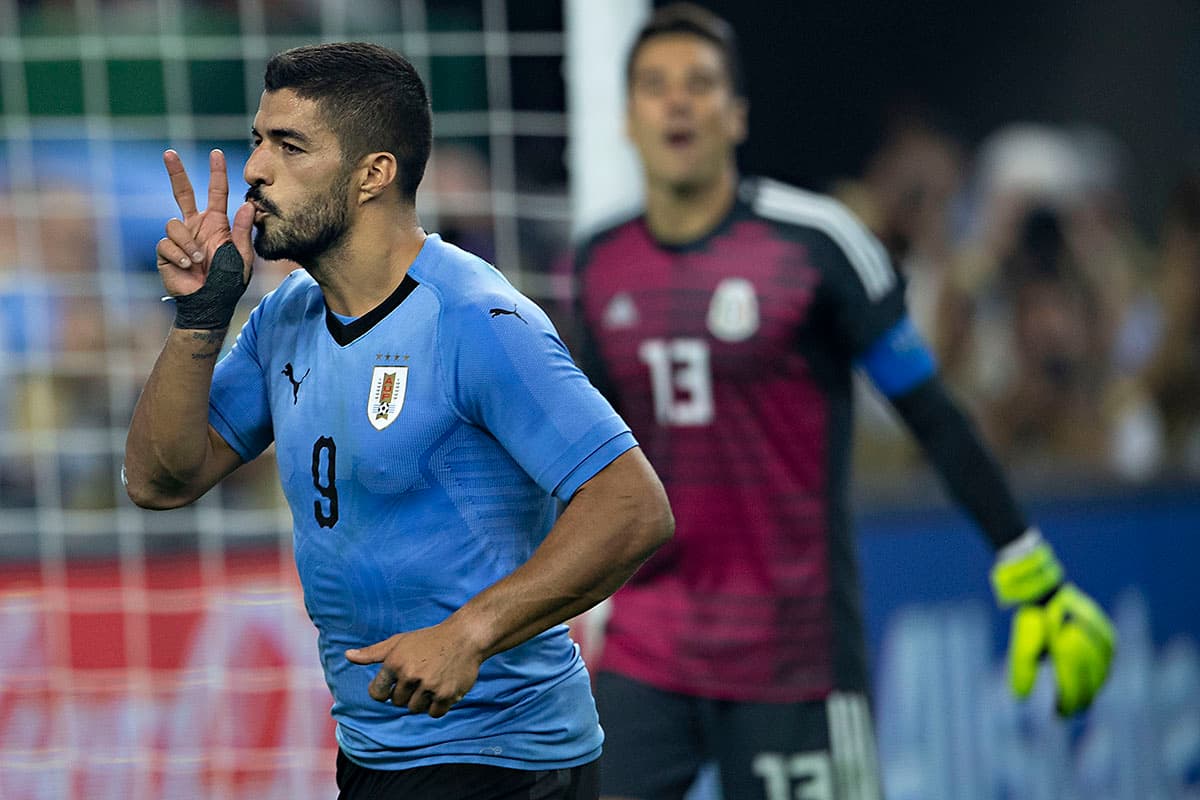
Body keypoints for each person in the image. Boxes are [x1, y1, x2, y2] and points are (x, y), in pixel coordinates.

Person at [564, 6, 1116, 800]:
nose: (677, 103)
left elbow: (932, 412)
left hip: (796, 659)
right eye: (655, 87)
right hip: (653, 647)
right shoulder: (601, 263)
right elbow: (600, 456)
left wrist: (1025, 560)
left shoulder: (817, 242)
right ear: (628, 116)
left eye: (700, 84)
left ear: (737, 113)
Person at [123, 41, 674, 800]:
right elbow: (159, 480)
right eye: (258, 140)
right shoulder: (286, 318)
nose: (255, 170)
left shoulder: (475, 319)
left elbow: (634, 505)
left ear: (373, 175)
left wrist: (469, 633)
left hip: (507, 760)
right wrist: (200, 317)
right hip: (376, 751)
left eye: (289, 145)